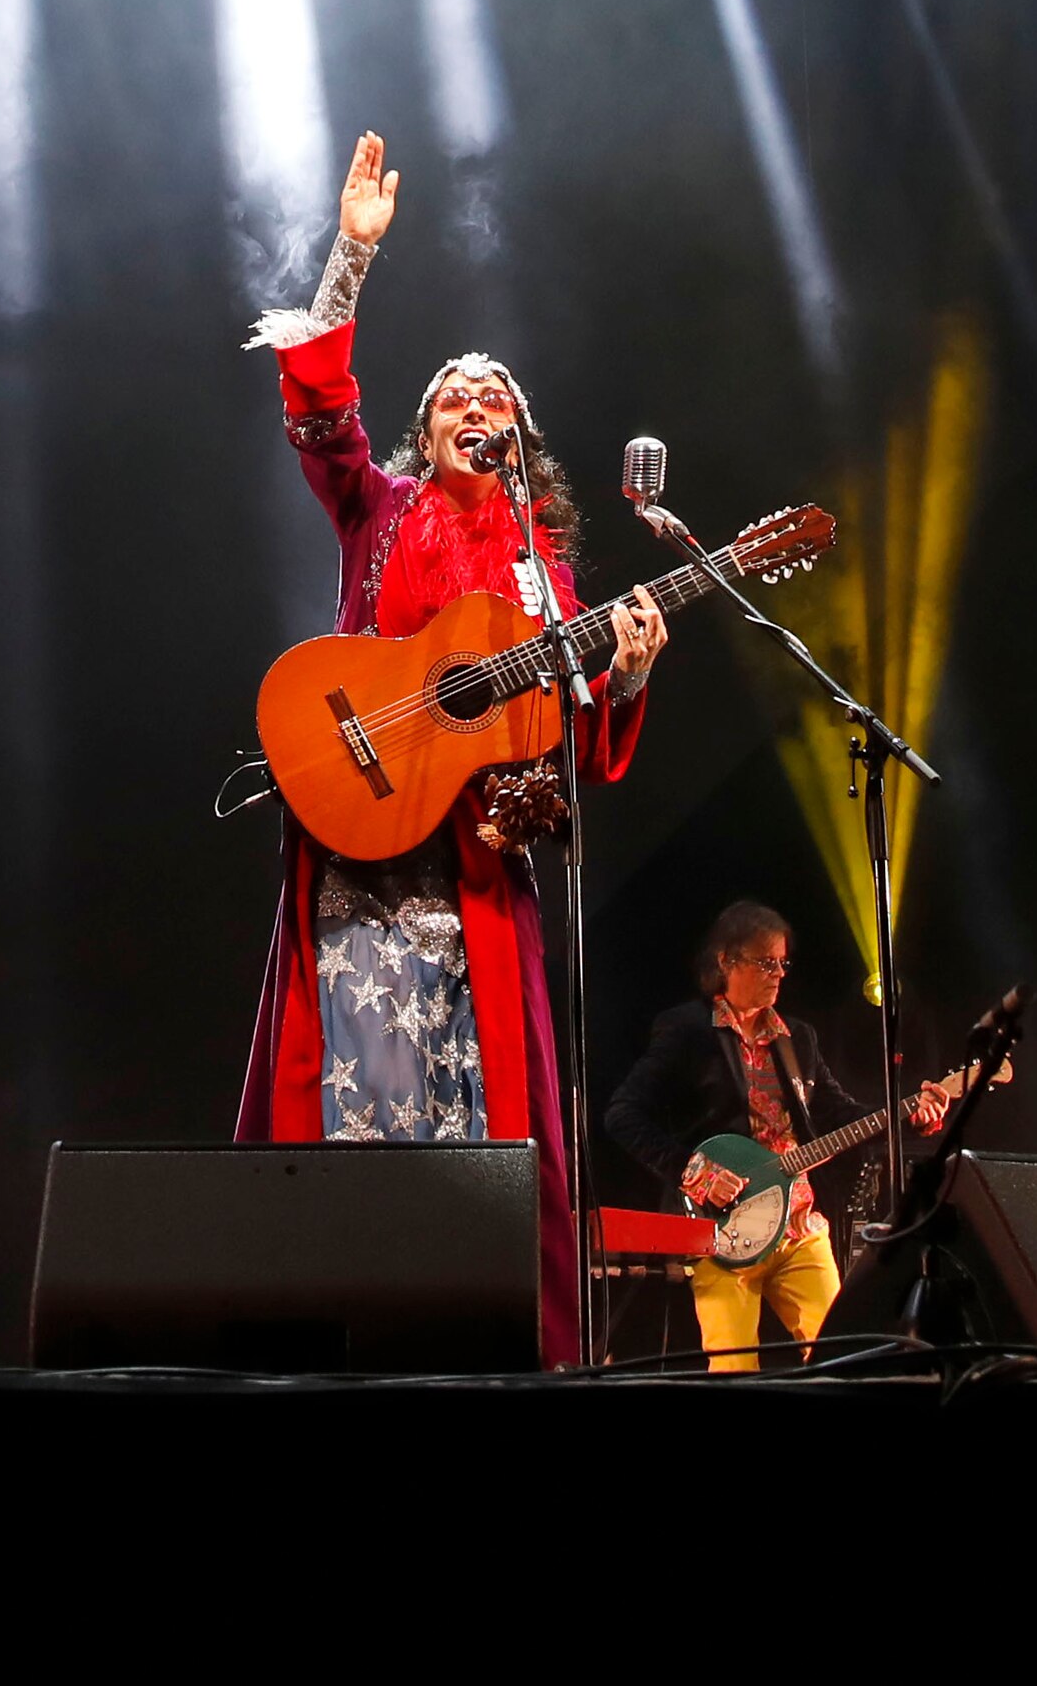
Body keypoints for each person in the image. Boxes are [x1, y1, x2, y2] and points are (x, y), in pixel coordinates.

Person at [237, 131, 668, 1366]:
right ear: (426, 433)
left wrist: (624, 667)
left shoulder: (548, 577)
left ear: (521, 445)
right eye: (456, 396)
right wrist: (352, 260)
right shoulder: (376, 509)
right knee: (355, 1108)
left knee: (480, 1121)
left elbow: (569, 732)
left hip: (475, 878)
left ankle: (470, 1348)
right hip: (367, 851)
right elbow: (318, 415)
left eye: (499, 399)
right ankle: (337, 1337)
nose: (479, 402)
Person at [603, 902, 972, 1370]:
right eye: (764, 962)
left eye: (782, 962)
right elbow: (622, 1115)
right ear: (726, 961)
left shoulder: (798, 1038)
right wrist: (693, 1171)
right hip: (722, 1232)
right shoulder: (687, 1030)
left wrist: (908, 1117)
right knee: (735, 1372)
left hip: (799, 1227)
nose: (778, 974)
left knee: (846, 1361)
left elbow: (843, 1116)